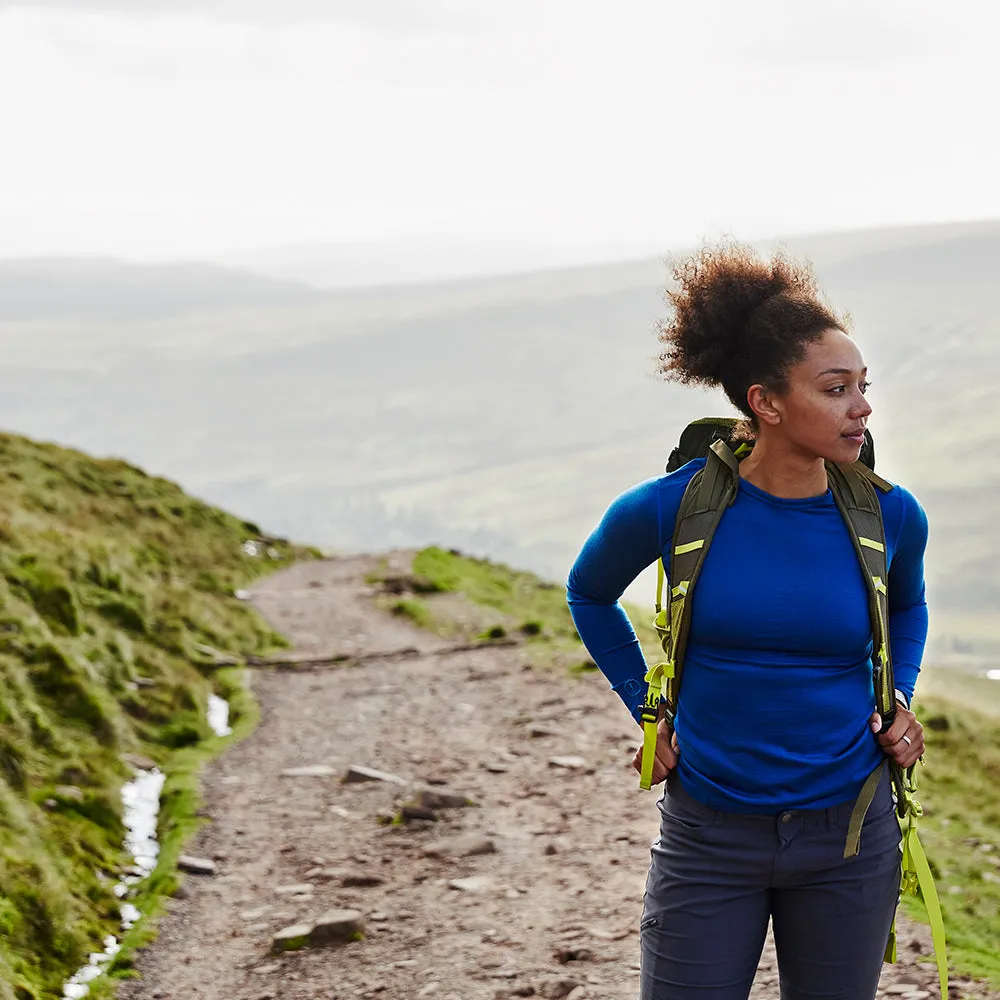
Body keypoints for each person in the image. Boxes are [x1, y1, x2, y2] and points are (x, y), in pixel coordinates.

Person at [565, 243, 928, 1000]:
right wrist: (647, 706)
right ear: (766, 402)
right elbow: (588, 592)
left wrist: (901, 696)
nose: (862, 407)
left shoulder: (890, 513)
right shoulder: (670, 506)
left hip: (850, 837)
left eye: (863, 387)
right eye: (835, 390)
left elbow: (906, 603)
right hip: (709, 836)